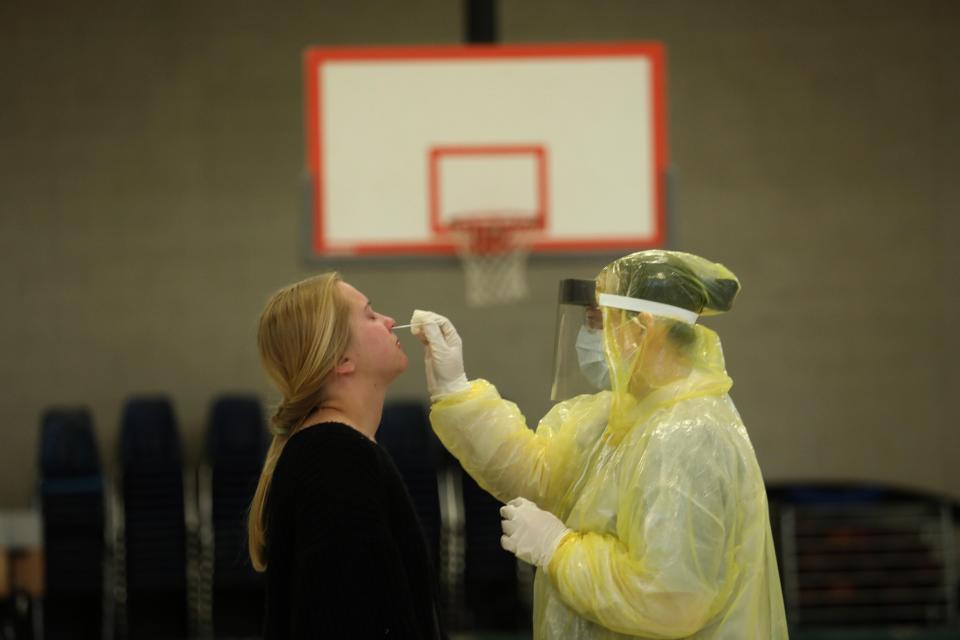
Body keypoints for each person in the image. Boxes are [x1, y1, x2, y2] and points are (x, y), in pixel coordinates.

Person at [412, 250, 787, 639]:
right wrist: (454, 389)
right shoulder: (621, 416)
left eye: (598, 323)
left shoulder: (686, 433)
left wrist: (559, 550)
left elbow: (671, 598)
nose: (591, 337)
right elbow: (539, 476)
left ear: (643, 329)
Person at [248, 272, 444, 639]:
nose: (388, 321)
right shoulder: (335, 459)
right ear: (341, 359)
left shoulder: (337, 450)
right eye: (370, 315)